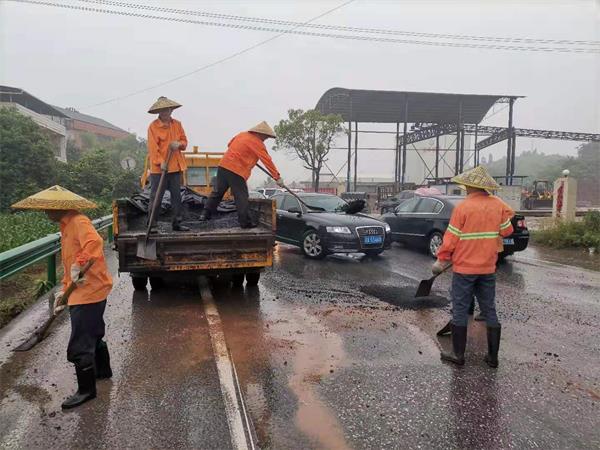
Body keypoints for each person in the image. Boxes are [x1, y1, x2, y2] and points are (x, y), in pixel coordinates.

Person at [12, 186, 113, 409]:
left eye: (48, 209)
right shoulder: (66, 226)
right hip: (86, 290)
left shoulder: (79, 222)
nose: (45, 213)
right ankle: (104, 371)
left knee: (80, 345)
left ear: (59, 208)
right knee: (93, 333)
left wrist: (80, 264)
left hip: (89, 293)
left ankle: (86, 391)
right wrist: (65, 290)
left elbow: (94, 244)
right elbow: (70, 265)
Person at [432, 166, 514, 368]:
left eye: (465, 186)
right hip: (487, 268)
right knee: (489, 309)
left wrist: (442, 259)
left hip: (464, 269)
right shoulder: (497, 205)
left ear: (469, 186)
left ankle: (458, 355)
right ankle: (493, 358)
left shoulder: (463, 207)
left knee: (460, 309)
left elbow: (450, 239)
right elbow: (507, 231)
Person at [199, 121, 284, 228]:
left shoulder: (241, 134)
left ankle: (204, 214)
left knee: (217, 192)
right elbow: (267, 161)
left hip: (223, 166)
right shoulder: (258, 143)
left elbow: (229, 144)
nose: (265, 139)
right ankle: (245, 222)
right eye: (266, 137)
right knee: (241, 197)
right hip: (237, 171)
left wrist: (245, 153)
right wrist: (277, 177)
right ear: (260, 133)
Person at [147, 96, 189, 231]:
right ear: (158, 111)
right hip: (159, 169)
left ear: (171, 110)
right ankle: (152, 225)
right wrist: (161, 162)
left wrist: (179, 144)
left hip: (175, 167)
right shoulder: (153, 127)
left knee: (176, 197)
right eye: (162, 110)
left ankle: (177, 223)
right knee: (156, 197)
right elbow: (153, 148)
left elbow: (184, 142)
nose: (165, 112)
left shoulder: (177, 124)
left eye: (167, 109)